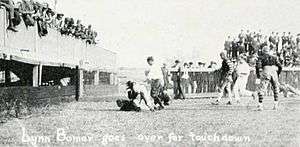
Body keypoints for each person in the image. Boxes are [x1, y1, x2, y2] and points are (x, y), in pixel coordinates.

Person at [256, 46, 282, 111]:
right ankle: (276, 105)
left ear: (263, 51)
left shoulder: (261, 58)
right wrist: (278, 74)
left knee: (262, 89)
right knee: (275, 88)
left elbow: (258, 67)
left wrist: (258, 75)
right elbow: (280, 66)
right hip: (274, 72)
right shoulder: (274, 57)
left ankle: (260, 105)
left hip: (266, 71)